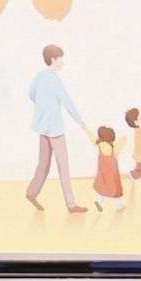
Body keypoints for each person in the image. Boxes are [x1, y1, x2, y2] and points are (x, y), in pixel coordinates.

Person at [27, 42, 88, 212]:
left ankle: (31, 192)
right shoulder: (54, 80)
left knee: (43, 164)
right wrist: (80, 120)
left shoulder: (39, 76)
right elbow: (67, 101)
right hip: (55, 128)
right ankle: (71, 204)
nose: (62, 62)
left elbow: (31, 94)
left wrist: (42, 106)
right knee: (63, 166)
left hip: (43, 127)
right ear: (53, 59)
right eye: (61, 59)